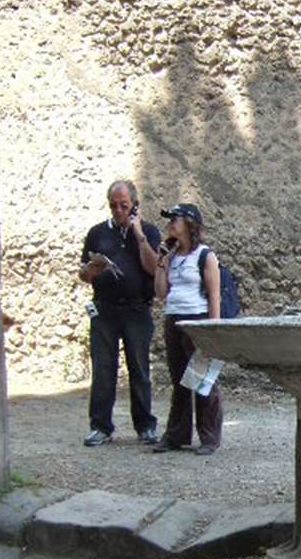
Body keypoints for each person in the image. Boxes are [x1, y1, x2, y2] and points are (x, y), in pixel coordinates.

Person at [79, 179, 161, 446]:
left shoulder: (148, 231)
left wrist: (138, 234)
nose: (118, 211)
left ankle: (145, 425)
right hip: (105, 311)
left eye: (124, 206)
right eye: (113, 206)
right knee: (103, 369)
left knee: (139, 368)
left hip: (137, 309)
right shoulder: (97, 233)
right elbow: (83, 273)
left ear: (134, 206)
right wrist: (89, 272)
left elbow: (153, 269)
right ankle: (101, 426)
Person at [152, 203, 223, 455]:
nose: (170, 223)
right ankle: (176, 435)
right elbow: (160, 293)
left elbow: (215, 296)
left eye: (175, 218)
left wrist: (213, 332)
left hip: (198, 319)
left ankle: (209, 437)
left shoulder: (205, 255)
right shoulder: (171, 256)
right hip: (174, 318)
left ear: (190, 224)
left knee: (202, 379)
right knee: (179, 380)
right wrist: (161, 261)